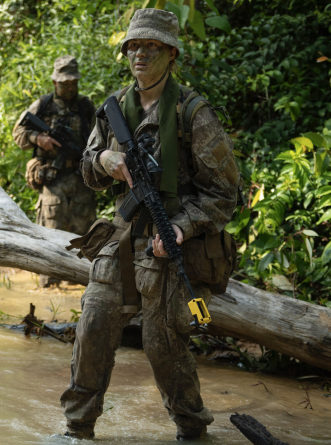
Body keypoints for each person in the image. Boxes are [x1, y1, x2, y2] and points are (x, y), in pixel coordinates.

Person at [59, 9, 239, 440]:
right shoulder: (114, 107)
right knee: (93, 328)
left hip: (167, 242)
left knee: (164, 347)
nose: (139, 54)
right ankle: (76, 429)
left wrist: (182, 226)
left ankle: (192, 429)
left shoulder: (193, 113)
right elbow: (88, 168)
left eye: (151, 47)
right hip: (121, 238)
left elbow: (224, 194)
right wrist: (105, 160)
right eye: (133, 46)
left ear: (171, 53)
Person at [13, 55, 97, 287]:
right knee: (50, 233)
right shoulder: (42, 106)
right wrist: (38, 138)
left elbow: (100, 137)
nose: (69, 87)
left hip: (81, 180)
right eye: (65, 83)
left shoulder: (86, 106)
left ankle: (80, 282)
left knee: (83, 233)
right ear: (55, 83)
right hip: (53, 179)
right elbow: (18, 134)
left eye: (73, 83)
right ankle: (49, 285)